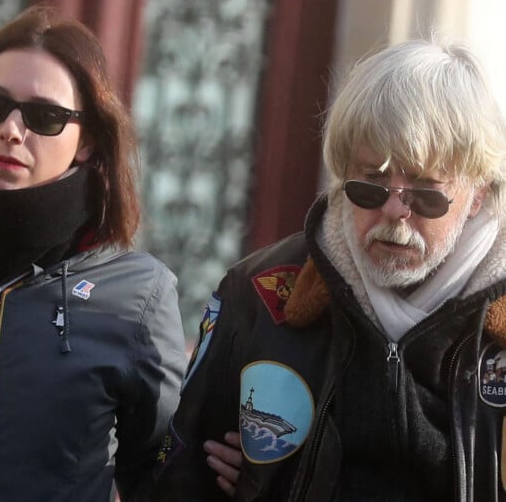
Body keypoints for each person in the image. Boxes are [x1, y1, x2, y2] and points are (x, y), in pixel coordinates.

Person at [149, 37, 506, 501]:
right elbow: (179, 473)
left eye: (425, 190)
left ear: (477, 193)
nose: (395, 210)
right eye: (371, 184)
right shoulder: (255, 292)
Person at [0, 4, 188, 502]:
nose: (11, 129)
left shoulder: (137, 297)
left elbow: (165, 476)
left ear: (88, 140)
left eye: (45, 116)